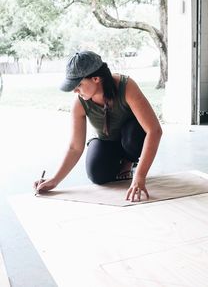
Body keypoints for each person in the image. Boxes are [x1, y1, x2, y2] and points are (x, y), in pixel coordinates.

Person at [34, 50, 162, 202]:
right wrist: (55, 180)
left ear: (96, 78)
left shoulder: (126, 86)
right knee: (97, 174)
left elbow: (154, 130)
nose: (75, 90)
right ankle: (118, 160)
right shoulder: (80, 103)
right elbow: (75, 147)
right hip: (107, 140)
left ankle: (128, 161)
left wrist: (140, 177)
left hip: (131, 138)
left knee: (132, 135)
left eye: (79, 85)